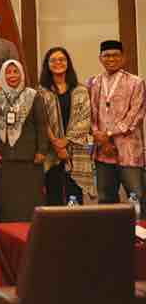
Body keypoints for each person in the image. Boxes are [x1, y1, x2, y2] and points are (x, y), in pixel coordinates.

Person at [87, 40, 145, 212]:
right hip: (103, 152)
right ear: (100, 58)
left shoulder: (136, 82)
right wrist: (99, 137)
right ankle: (108, 237)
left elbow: (136, 115)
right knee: (106, 199)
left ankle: (140, 237)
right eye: (106, 55)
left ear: (123, 58)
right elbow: (89, 113)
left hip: (129, 151)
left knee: (137, 197)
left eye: (115, 55)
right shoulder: (93, 83)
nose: (111, 59)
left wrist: (109, 134)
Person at [0, 60, 49, 222]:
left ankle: (33, 230)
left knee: (30, 196)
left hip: (30, 157)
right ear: (3, 75)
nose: (12, 76)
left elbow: (41, 125)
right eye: (8, 72)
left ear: (22, 74)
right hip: (5, 158)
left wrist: (42, 150)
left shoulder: (33, 95)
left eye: (15, 71)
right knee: (8, 198)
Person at [38, 47, 95, 205]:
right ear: (47, 65)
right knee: (53, 195)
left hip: (76, 150)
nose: (58, 63)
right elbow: (42, 121)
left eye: (62, 59)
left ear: (68, 63)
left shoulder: (81, 90)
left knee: (75, 195)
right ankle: (54, 230)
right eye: (53, 60)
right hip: (51, 151)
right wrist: (57, 145)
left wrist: (66, 141)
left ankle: (77, 229)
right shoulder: (42, 92)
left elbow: (85, 119)